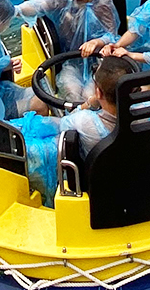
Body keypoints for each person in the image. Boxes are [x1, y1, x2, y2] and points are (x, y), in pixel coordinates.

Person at [9, 57, 131, 206]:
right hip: (131, 177)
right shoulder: (148, 111)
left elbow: (66, 121)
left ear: (98, 92)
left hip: (99, 184)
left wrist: (89, 103)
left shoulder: (85, 121)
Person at [16, 0, 119, 100]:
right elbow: (39, 5)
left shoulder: (102, 2)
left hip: (99, 62)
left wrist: (97, 42)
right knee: (71, 91)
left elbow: (113, 35)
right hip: (72, 62)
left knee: (91, 96)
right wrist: (15, 10)